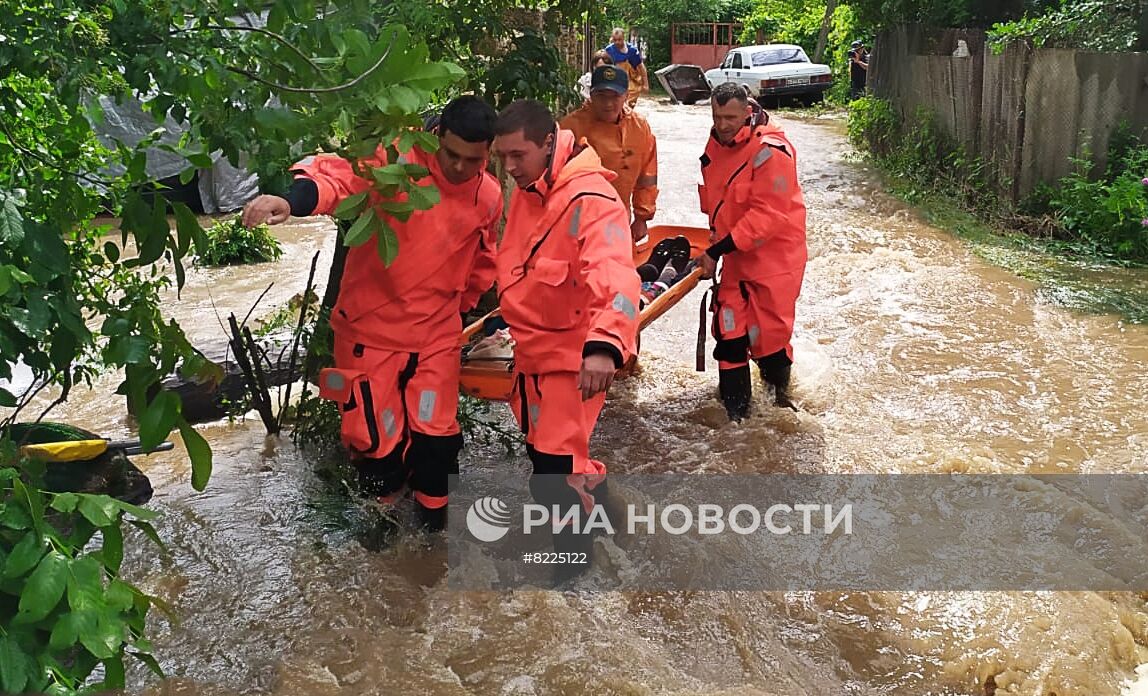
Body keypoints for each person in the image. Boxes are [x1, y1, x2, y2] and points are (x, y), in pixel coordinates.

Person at [241, 96, 503, 529]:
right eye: (451, 155)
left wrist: (462, 309)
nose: (459, 167)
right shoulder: (396, 161)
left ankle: (432, 550)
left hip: (436, 334)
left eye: (471, 160)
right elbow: (338, 179)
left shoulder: (487, 195)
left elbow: (484, 259)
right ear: (437, 136)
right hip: (370, 331)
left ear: (487, 153)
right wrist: (293, 202)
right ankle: (381, 536)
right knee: (374, 443)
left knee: (437, 445)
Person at [490, 99, 640, 563]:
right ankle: (610, 513)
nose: (509, 167)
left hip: (573, 361)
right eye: (503, 157)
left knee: (551, 480)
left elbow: (615, 272)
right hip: (533, 356)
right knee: (552, 463)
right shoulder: (533, 189)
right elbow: (523, 268)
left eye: (518, 155)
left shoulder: (590, 199)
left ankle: (575, 575)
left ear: (549, 143)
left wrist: (605, 346)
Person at [696, 82, 808, 419]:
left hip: (774, 261)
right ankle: (736, 423)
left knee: (769, 342)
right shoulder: (717, 142)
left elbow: (767, 216)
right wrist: (717, 247)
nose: (723, 124)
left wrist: (717, 251)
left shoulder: (772, 150)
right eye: (717, 116)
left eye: (730, 117)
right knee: (729, 337)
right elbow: (719, 202)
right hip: (735, 257)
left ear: (748, 112)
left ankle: (781, 403)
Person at [561, 65, 659, 243]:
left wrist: (642, 217)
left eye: (615, 97)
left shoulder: (639, 127)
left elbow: (647, 176)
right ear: (591, 96)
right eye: (601, 97)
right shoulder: (571, 127)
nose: (608, 104)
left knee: (613, 264)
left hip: (619, 214)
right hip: (577, 216)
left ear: (626, 96)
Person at [604, 28, 648, 108]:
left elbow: (641, 67)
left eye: (619, 40)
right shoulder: (608, 50)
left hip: (631, 84)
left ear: (624, 38)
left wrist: (645, 84)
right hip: (614, 82)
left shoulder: (632, 50)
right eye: (615, 40)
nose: (617, 42)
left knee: (628, 107)